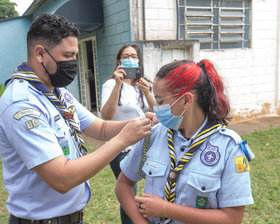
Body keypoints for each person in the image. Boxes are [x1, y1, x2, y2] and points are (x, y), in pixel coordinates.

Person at [0, 14, 153, 224]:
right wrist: (122, 141)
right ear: (40, 53)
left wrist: (141, 123)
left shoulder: (57, 93)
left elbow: (99, 128)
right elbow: (61, 178)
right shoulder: (23, 103)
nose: (74, 63)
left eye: (75, 55)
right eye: (68, 55)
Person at [115, 59, 254, 224]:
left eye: (160, 101)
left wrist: (166, 209)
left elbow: (232, 219)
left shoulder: (229, 147)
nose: (156, 107)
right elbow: (123, 183)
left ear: (187, 101)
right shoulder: (153, 136)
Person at [100, 43, 155, 224]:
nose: (130, 59)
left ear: (139, 60)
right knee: (128, 192)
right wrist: (118, 84)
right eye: (125, 56)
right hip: (120, 146)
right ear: (119, 61)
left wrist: (147, 92)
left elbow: (160, 112)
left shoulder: (145, 84)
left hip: (144, 144)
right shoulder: (110, 84)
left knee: (147, 188)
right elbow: (106, 115)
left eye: (133, 56)